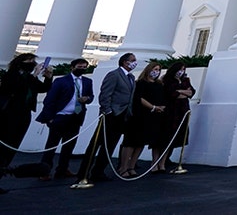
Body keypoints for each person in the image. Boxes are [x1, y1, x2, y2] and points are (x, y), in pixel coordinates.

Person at [79, 52, 138, 184]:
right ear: (124, 62)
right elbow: (105, 94)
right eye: (132, 60)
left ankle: (98, 171)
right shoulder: (114, 75)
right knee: (96, 144)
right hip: (111, 115)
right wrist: (108, 111)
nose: (135, 62)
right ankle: (83, 172)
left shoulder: (131, 78)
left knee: (110, 145)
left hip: (123, 116)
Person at [0, 53, 53, 194]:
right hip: (8, 114)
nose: (32, 63)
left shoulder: (29, 78)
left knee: (12, 147)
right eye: (29, 60)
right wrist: (34, 75)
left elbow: (42, 88)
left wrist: (48, 78)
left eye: (33, 61)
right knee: (3, 146)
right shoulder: (11, 75)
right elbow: (14, 88)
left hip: (24, 114)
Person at [37, 58, 93, 180]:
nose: (82, 69)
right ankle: (44, 171)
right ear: (72, 67)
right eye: (80, 66)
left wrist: (87, 99)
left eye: (84, 67)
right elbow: (50, 99)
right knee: (51, 146)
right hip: (60, 117)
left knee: (69, 146)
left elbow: (91, 96)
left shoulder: (88, 81)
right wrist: (50, 118)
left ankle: (62, 169)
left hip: (76, 117)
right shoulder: (61, 81)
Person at [119, 62, 168, 177]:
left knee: (141, 142)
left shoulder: (159, 85)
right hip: (139, 116)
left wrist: (160, 107)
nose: (156, 72)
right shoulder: (140, 83)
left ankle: (132, 166)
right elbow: (139, 98)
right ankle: (123, 167)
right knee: (131, 142)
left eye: (159, 70)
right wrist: (153, 107)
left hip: (152, 117)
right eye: (155, 69)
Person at [161, 62, 195, 167]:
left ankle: (168, 158)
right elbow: (171, 94)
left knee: (178, 135)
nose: (181, 71)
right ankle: (162, 159)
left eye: (183, 69)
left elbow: (191, 92)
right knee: (168, 135)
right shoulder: (167, 80)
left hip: (182, 111)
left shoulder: (185, 80)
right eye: (180, 69)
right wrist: (182, 92)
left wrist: (180, 91)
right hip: (171, 111)